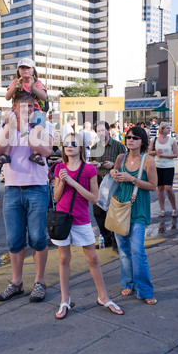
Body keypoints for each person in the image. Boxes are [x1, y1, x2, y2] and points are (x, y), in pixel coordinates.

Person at [52, 132, 124, 319]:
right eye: (66, 143)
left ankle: (104, 297)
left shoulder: (89, 169)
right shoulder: (59, 167)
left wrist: (73, 182)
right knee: (63, 259)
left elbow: (94, 198)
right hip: (62, 219)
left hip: (81, 219)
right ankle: (65, 300)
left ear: (81, 147)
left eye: (74, 143)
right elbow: (56, 197)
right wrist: (61, 180)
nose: (69, 146)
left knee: (92, 258)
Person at [0, 91, 53, 303]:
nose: (26, 111)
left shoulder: (42, 126)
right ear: (14, 109)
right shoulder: (5, 126)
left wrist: (26, 132)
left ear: (34, 109)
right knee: (14, 239)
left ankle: (40, 281)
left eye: (30, 107)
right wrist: (10, 127)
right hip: (11, 188)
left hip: (37, 187)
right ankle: (16, 282)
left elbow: (46, 151)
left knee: (37, 237)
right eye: (22, 108)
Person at [110, 126, 158, 305]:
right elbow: (114, 173)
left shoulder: (148, 160)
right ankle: (128, 283)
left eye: (135, 138)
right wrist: (113, 173)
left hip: (138, 210)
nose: (131, 140)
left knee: (137, 251)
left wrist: (132, 179)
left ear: (143, 141)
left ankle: (145, 289)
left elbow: (153, 185)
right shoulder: (121, 158)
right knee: (123, 250)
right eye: (129, 137)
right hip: (120, 208)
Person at [5, 57, 48, 166]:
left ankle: (36, 152)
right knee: (8, 124)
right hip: (18, 110)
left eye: (28, 68)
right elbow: (7, 97)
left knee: (39, 124)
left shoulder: (37, 82)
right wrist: (14, 88)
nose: (25, 70)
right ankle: (6, 153)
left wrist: (33, 87)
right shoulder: (15, 82)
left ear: (33, 70)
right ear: (18, 71)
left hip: (34, 110)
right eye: (22, 68)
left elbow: (44, 97)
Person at [90, 121, 126, 248]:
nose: (100, 133)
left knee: (114, 211)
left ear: (108, 130)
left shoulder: (118, 146)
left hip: (113, 181)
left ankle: (117, 241)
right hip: (98, 180)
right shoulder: (94, 147)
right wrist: (93, 164)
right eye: (98, 131)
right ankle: (106, 238)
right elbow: (90, 165)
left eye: (102, 130)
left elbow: (126, 163)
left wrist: (113, 165)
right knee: (98, 212)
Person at [148, 122, 178, 228]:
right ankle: (162, 209)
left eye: (170, 128)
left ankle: (174, 208)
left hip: (169, 166)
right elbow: (149, 152)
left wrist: (164, 155)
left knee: (168, 188)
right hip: (157, 166)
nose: (169, 129)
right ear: (162, 129)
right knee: (159, 188)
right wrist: (156, 152)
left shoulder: (172, 140)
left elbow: (176, 154)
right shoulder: (154, 140)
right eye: (167, 128)